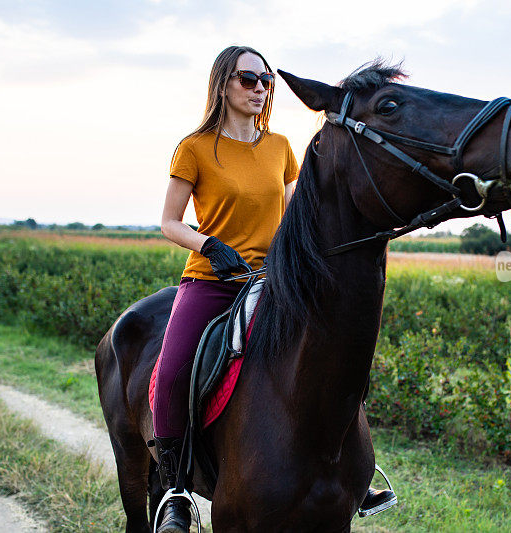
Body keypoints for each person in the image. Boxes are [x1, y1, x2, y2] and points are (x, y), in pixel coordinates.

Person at [152, 45, 395, 533]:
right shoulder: (195, 148)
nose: (260, 87)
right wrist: (211, 246)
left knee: (330, 359)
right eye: (248, 78)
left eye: (266, 79)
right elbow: (168, 222)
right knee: (175, 372)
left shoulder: (281, 146)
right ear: (223, 83)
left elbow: (296, 208)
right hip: (214, 281)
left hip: (277, 279)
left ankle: (350, 471)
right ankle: (176, 487)